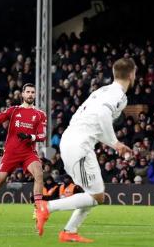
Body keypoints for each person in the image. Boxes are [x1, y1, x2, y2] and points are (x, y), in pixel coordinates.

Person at [38, 58, 137, 243]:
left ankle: (69, 231)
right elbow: (102, 115)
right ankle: (47, 206)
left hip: (73, 140)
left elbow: (95, 122)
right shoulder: (119, 95)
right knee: (97, 196)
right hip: (79, 144)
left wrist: (114, 144)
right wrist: (116, 143)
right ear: (132, 75)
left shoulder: (102, 91)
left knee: (92, 192)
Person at [0, 83, 48, 223]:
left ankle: (37, 209)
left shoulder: (40, 115)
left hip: (28, 152)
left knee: (39, 172)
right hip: (11, 153)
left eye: (33, 92)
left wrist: (30, 137)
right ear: (22, 94)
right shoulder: (13, 110)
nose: (30, 94)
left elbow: (42, 136)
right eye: (28, 92)